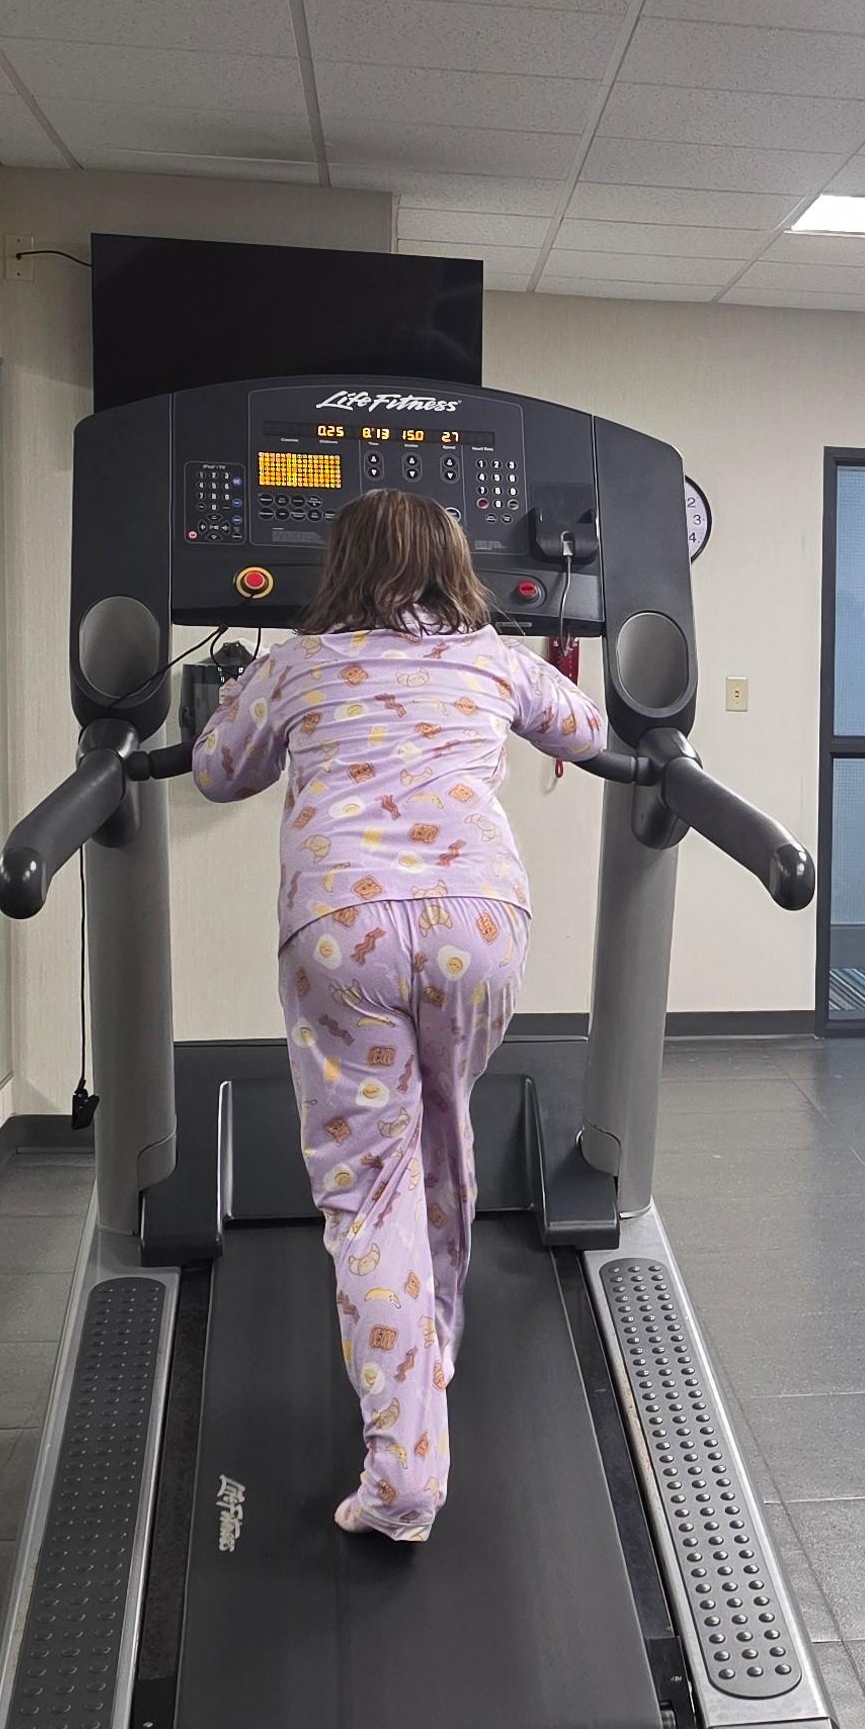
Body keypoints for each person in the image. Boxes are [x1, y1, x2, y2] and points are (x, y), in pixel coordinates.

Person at [192, 487, 609, 1542]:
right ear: (454, 566)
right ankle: (435, 1343)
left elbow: (215, 772)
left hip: (346, 929)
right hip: (480, 923)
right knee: (443, 1129)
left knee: (372, 1192)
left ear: (340, 565)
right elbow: (587, 728)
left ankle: (405, 1477)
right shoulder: (492, 657)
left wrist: (243, 697)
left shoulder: (297, 663)